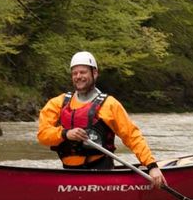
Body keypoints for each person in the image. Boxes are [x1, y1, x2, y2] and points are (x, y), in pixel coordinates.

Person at [37, 51, 167, 189]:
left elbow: (132, 136)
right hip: (70, 174)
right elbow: (43, 135)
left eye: (83, 72)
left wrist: (152, 166)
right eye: (75, 73)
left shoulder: (109, 104)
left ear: (94, 73)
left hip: (101, 173)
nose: (78, 76)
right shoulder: (58, 103)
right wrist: (65, 134)